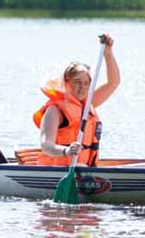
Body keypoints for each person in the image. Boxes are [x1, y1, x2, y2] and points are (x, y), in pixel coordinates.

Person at [32, 34, 120, 167]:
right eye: (77, 82)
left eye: (86, 83)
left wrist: (108, 52)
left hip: (85, 167)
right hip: (58, 168)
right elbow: (46, 145)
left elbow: (113, 82)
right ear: (66, 83)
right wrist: (67, 151)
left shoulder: (87, 104)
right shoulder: (54, 111)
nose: (82, 87)